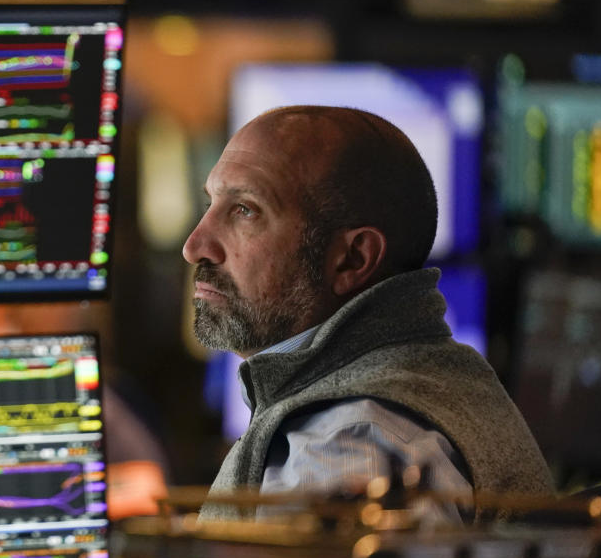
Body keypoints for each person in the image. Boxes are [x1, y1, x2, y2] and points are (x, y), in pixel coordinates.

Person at [182, 106, 552, 522]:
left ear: (353, 259)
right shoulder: (431, 374)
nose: (195, 246)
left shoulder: (351, 443)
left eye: (245, 210)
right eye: (211, 203)